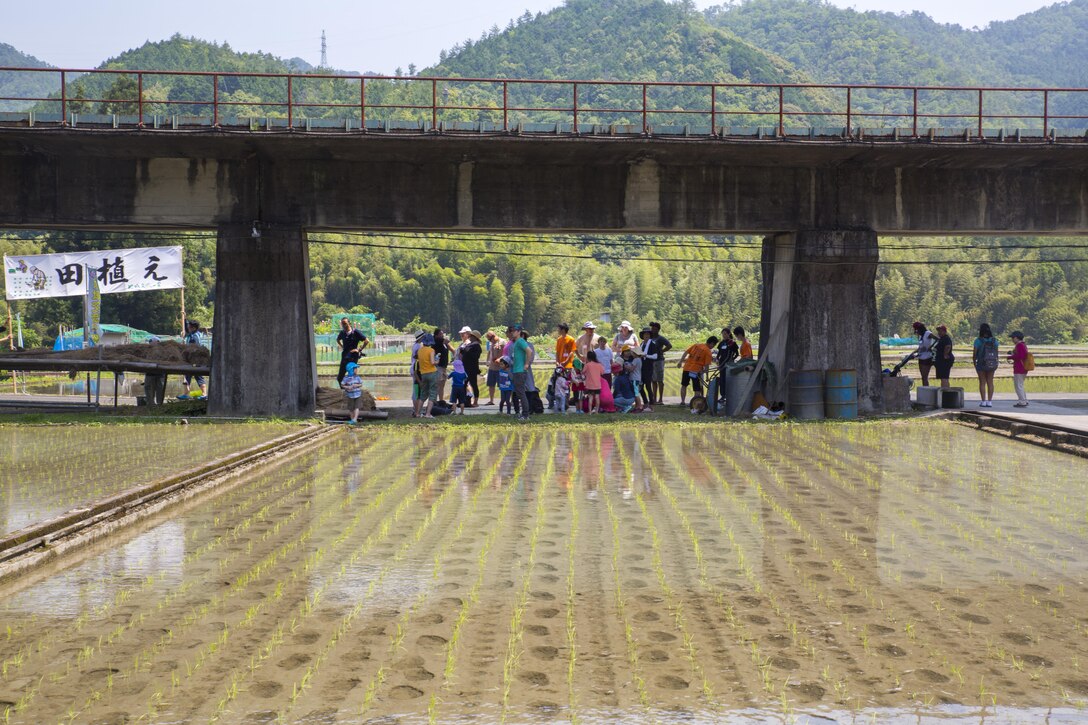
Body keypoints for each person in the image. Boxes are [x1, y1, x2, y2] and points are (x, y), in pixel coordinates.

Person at [678, 336, 718, 405]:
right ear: (711, 343)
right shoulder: (708, 351)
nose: (713, 347)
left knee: (684, 385)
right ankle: (695, 404)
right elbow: (707, 365)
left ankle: (682, 402)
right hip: (696, 371)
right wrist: (707, 376)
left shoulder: (696, 345)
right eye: (713, 345)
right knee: (697, 389)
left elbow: (686, 352)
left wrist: (680, 362)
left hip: (686, 368)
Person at [336, 317, 369, 385]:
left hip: (353, 356)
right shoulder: (342, 333)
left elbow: (366, 341)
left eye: (345, 323)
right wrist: (342, 346)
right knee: (340, 377)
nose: (344, 325)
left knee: (352, 375)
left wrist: (359, 349)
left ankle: (352, 392)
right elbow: (338, 340)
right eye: (342, 324)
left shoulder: (355, 332)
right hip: (345, 355)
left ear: (349, 323)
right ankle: (344, 390)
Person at [972, 323, 999, 407]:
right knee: (990, 382)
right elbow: (996, 353)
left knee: (982, 382)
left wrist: (974, 363)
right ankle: (990, 401)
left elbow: (974, 353)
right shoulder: (994, 340)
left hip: (981, 363)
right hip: (992, 363)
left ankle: (983, 401)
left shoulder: (978, 340)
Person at [179, 321, 208, 400]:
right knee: (187, 375)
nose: (188, 328)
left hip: (195, 359)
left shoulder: (195, 336)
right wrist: (184, 318)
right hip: (190, 359)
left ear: (193, 328)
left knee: (198, 375)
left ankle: (204, 394)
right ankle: (186, 393)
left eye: (189, 327)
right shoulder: (191, 334)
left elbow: (197, 347)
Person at [511, 329, 532, 421]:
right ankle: (524, 414)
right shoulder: (516, 342)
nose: (512, 332)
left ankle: (525, 415)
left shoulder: (520, 341)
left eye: (514, 331)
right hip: (517, 370)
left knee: (521, 393)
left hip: (520, 371)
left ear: (519, 332)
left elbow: (529, 351)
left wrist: (526, 364)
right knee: (519, 393)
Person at [458, 329, 483, 406]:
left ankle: (475, 401)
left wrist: (466, 351)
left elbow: (474, 356)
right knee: (464, 384)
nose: (469, 337)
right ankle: (464, 400)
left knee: (473, 384)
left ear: (475, 337)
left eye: (471, 336)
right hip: (466, 368)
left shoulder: (477, 346)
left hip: (472, 368)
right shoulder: (469, 345)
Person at [416, 333, 439, 418]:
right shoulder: (431, 350)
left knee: (423, 394)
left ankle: (418, 413)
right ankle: (428, 413)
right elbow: (433, 362)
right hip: (432, 373)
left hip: (423, 374)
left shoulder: (420, 351)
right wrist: (437, 361)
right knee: (432, 394)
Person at [649, 322, 672, 405]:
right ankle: (654, 398)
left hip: (659, 361)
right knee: (653, 380)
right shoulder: (649, 338)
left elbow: (669, 345)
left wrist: (662, 351)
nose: (653, 330)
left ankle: (660, 399)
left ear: (658, 330)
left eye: (655, 329)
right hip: (652, 361)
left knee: (660, 380)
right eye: (652, 329)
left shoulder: (661, 338)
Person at [638, 327, 660, 411]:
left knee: (648, 386)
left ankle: (651, 404)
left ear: (650, 335)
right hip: (641, 367)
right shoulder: (642, 344)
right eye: (645, 334)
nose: (646, 335)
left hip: (648, 367)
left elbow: (655, 356)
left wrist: (645, 355)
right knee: (640, 386)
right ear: (642, 335)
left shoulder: (653, 344)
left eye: (648, 334)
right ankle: (645, 402)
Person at [1007, 331, 1030, 407]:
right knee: (1020, 385)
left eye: (1013, 338)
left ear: (1016, 338)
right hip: (1023, 368)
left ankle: (1022, 401)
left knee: (1018, 385)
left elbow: (1020, 356)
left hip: (1019, 368)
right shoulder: (1023, 345)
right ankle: (1024, 400)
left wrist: (1011, 357)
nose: (1012, 339)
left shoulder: (1019, 345)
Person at [716, 328, 739, 403]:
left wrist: (732, 360)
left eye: (725, 334)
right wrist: (717, 359)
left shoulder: (732, 343)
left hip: (728, 365)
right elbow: (719, 353)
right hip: (721, 364)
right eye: (722, 334)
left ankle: (729, 396)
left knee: (728, 380)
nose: (724, 335)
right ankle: (723, 396)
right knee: (722, 380)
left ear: (729, 334)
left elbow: (737, 354)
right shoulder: (722, 343)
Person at [911, 321, 938, 386]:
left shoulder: (928, 333)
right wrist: (914, 352)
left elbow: (937, 339)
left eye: (917, 330)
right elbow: (920, 347)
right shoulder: (920, 336)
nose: (916, 332)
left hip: (927, 357)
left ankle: (927, 391)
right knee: (923, 377)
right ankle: (925, 389)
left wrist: (931, 347)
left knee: (925, 377)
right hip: (921, 357)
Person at [432, 329, 455, 402]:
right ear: (436, 336)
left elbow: (452, 349)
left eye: (443, 334)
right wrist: (444, 341)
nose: (442, 336)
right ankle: (434, 402)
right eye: (441, 334)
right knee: (437, 385)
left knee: (442, 385)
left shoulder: (444, 343)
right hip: (438, 366)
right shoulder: (435, 342)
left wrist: (454, 356)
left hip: (444, 366)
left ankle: (441, 400)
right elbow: (446, 340)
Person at [485, 331, 504, 405]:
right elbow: (489, 352)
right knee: (491, 385)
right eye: (489, 340)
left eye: (490, 339)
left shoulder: (502, 342)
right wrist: (487, 361)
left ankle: (504, 400)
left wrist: (498, 359)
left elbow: (503, 353)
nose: (490, 341)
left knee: (502, 385)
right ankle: (491, 400)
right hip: (492, 367)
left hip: (500, 367)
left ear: (494, 336)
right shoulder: (491, 343)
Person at [934, 324, 955, 389]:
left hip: (944, 361)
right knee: (943, 378)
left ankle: (946, 391)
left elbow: (948, 346)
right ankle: (944, 390)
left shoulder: (946, 338)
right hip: (940, 360)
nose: (939, 332)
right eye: (938, 331)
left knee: (944, 378)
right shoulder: (941, 339)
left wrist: (945, 354)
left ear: (945, 331)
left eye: (941, 331)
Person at [410, 329, 425, 417]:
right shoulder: (418, 346)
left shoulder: (415, 345)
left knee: (416, 390)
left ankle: (416, 410)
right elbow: (417, 356)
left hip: (414, 369)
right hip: (416, 370)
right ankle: (416, 411)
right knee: (416, 391)